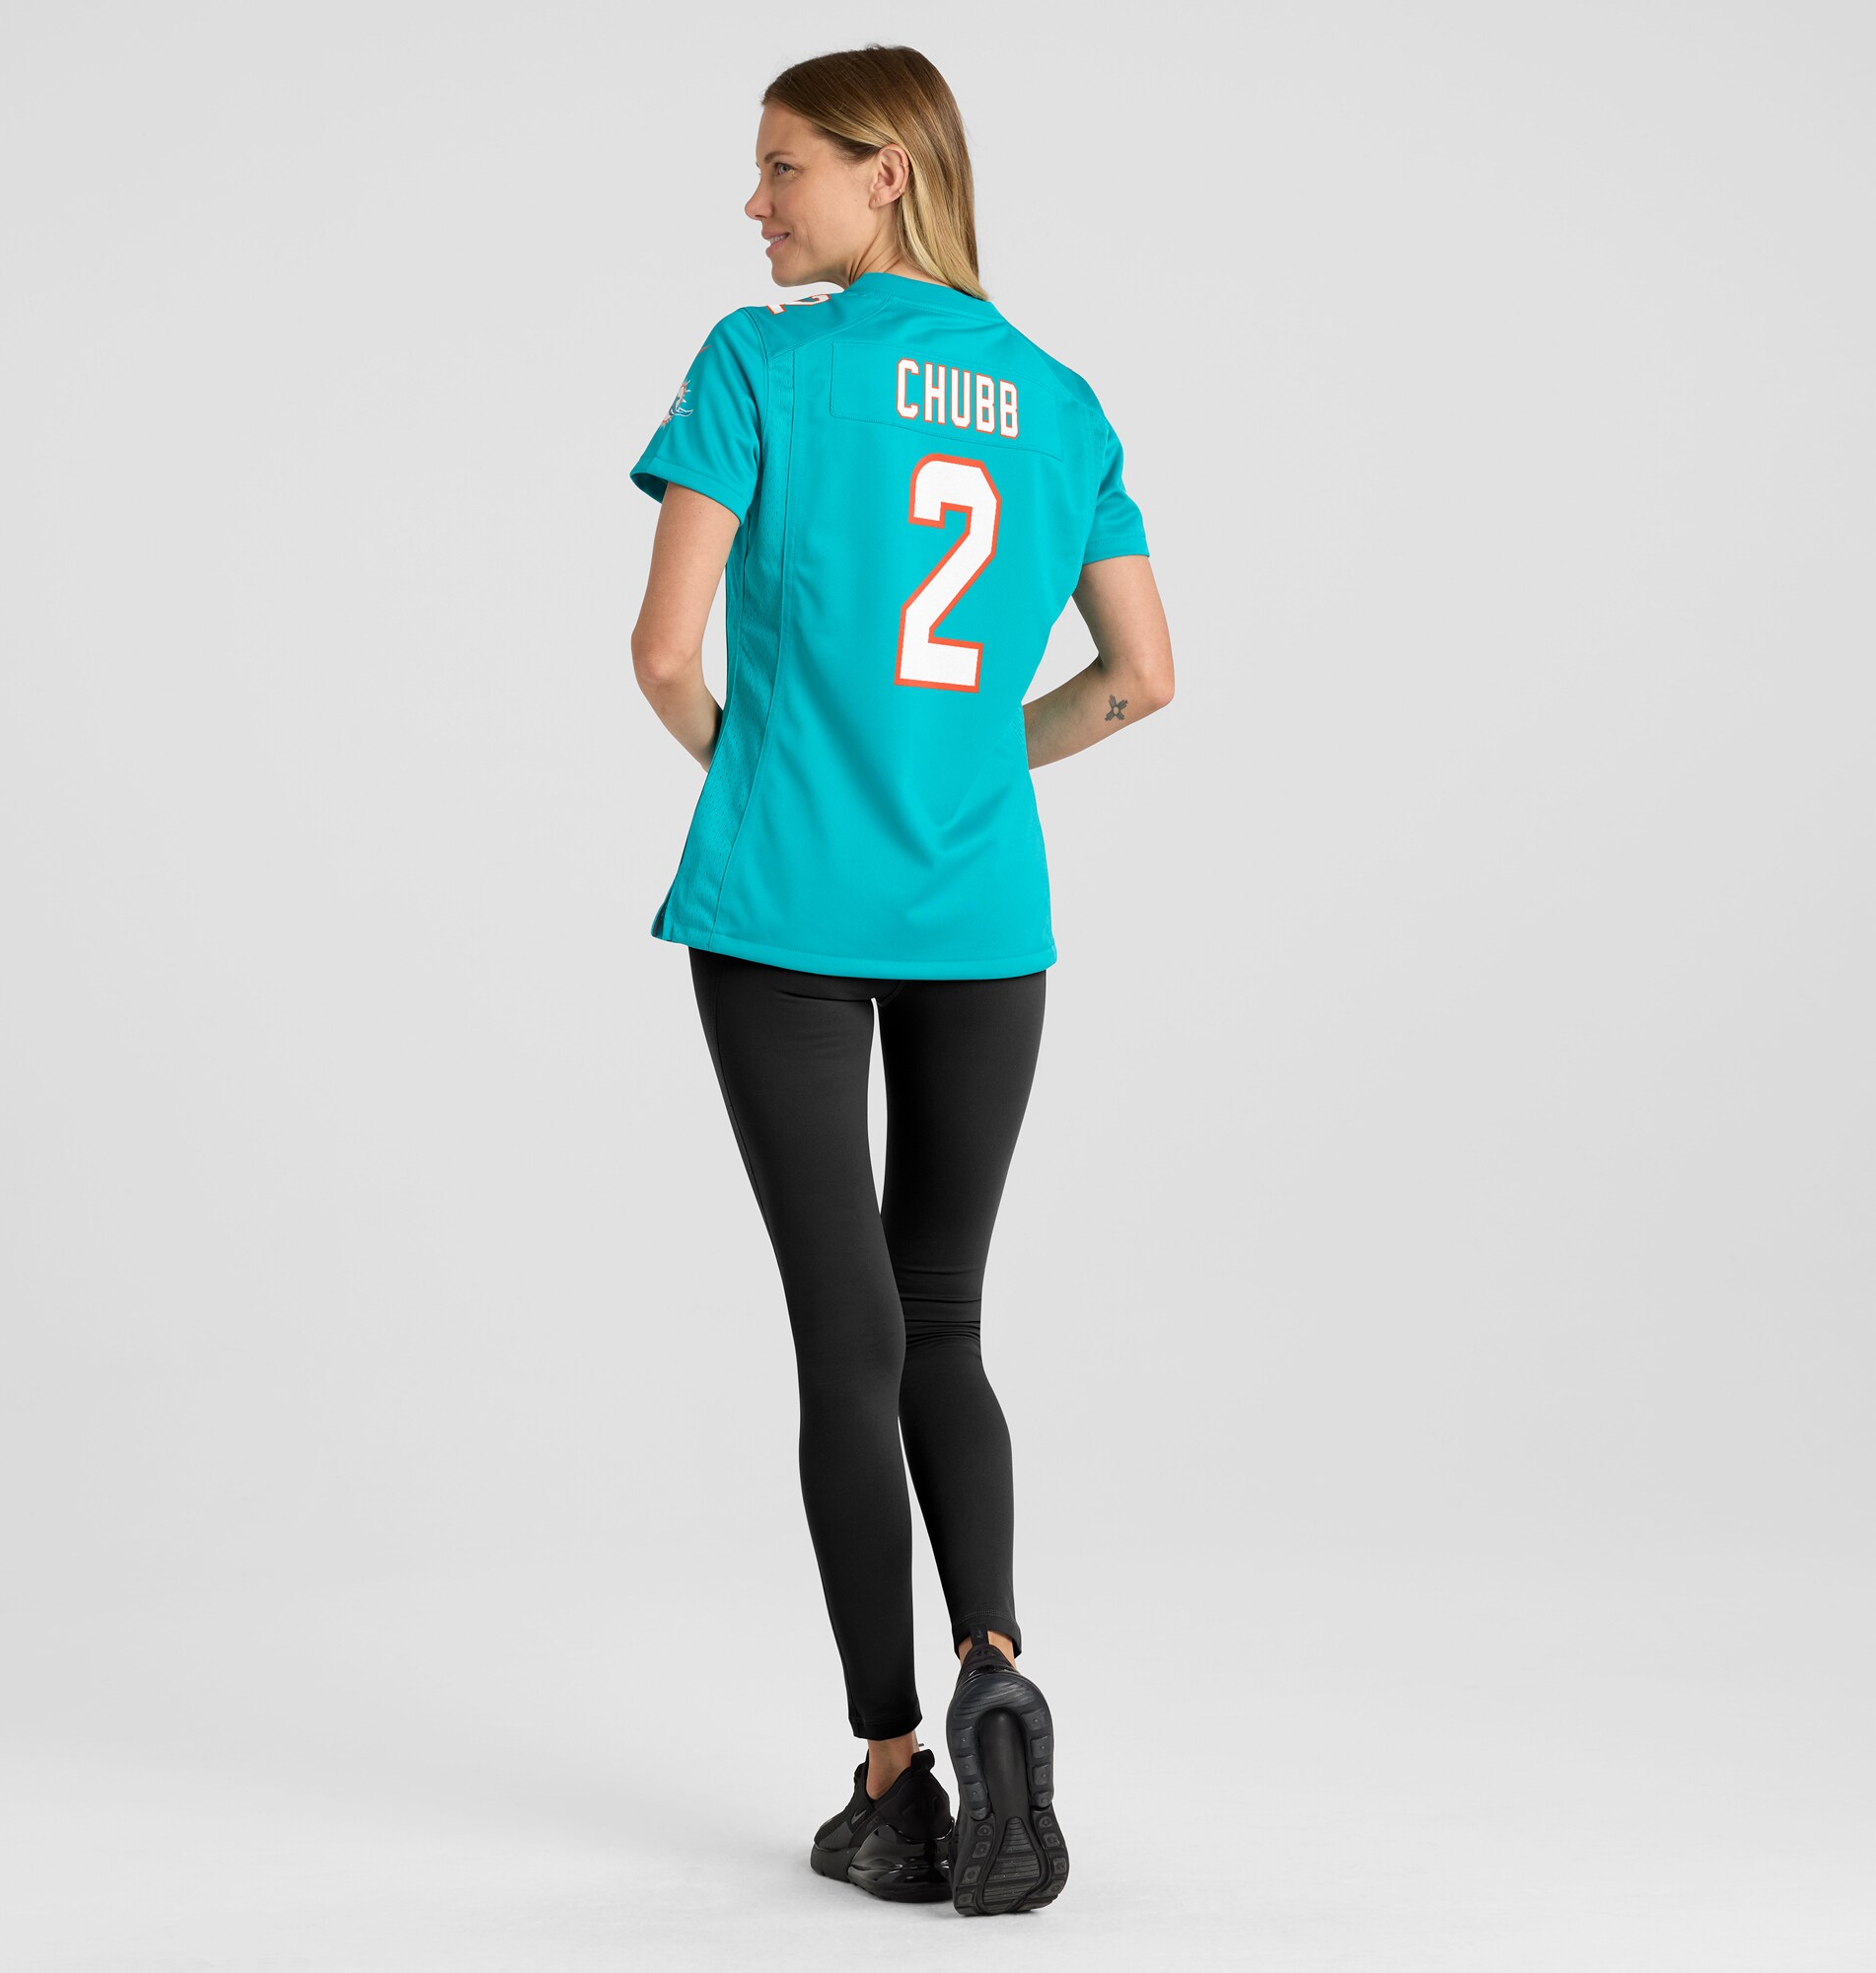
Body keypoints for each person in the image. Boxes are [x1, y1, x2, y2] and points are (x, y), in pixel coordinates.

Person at [626, 43, 1173, 1916]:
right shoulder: (1061, 401)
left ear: (888, 170)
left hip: (787, 912)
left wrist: (771, 782)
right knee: (944, 1312)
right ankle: (998, 1664)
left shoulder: (759, 364)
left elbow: (663, 652)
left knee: (843, 1338)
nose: (755, 205)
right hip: (982, 919)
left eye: (783, 167)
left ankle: (892, 1777)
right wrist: (963, 772)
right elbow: (1143, 677)